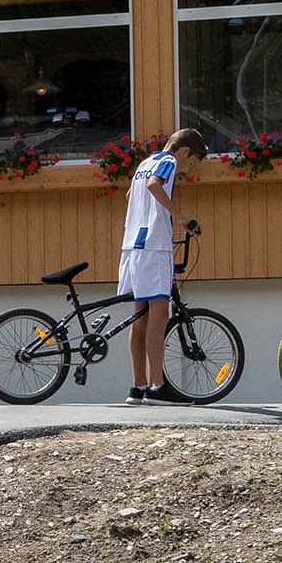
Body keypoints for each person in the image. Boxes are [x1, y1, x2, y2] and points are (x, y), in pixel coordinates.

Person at [118, 129, 210, 404]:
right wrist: (181, 218)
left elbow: (130, 195)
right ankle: (158, 386)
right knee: (159, 315)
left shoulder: (145, 163)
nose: (187, 168)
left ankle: (138, 387)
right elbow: (154, 186)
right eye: (191, 162)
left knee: (140, 317)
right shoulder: (168, 163)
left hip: (132, 244)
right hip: (155, 246)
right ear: (183, 152)